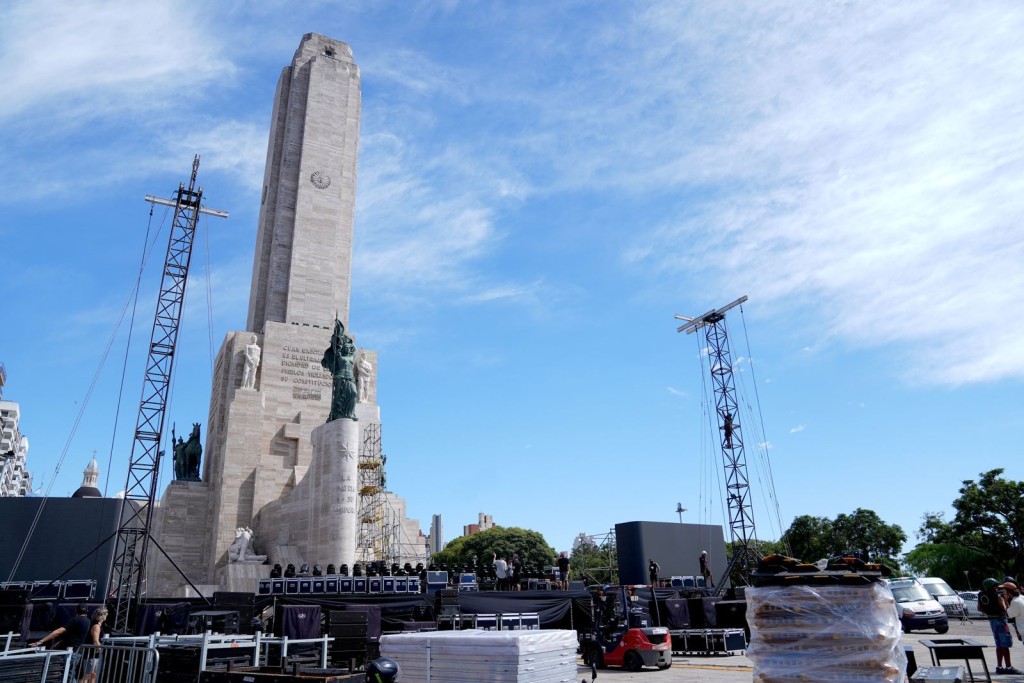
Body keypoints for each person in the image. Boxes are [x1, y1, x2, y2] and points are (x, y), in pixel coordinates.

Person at [31, 604, 92, 676]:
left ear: (76, 610)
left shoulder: (75, 620)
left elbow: (59, 631)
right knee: (70, 674)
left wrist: (41, 641)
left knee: (66, 675)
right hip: (78, 651)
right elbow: (71, 635)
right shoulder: (88, 621)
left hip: (70, 652)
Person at [980, 577, 1022, 674]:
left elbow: (979, 608)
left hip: (991, 620)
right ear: (991, 587)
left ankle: (999, 666)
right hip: (1000, 619)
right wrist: (1005, 600)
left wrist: (989, 610)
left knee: (998, 644)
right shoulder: (997, 596)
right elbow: (1004, 608)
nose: (997, 587)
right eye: (995, 586)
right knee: (1005, 644)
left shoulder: (981, 595)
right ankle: (1008, 667)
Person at [82, 607, 107, 683]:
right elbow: (95, 640)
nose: (106, 616)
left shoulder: (97, 625)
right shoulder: (96, 626)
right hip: (92, 653)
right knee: (88, 674)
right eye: (105, 614)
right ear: (102, 615)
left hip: (93, 653)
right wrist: (100, 649)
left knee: (93, 674)